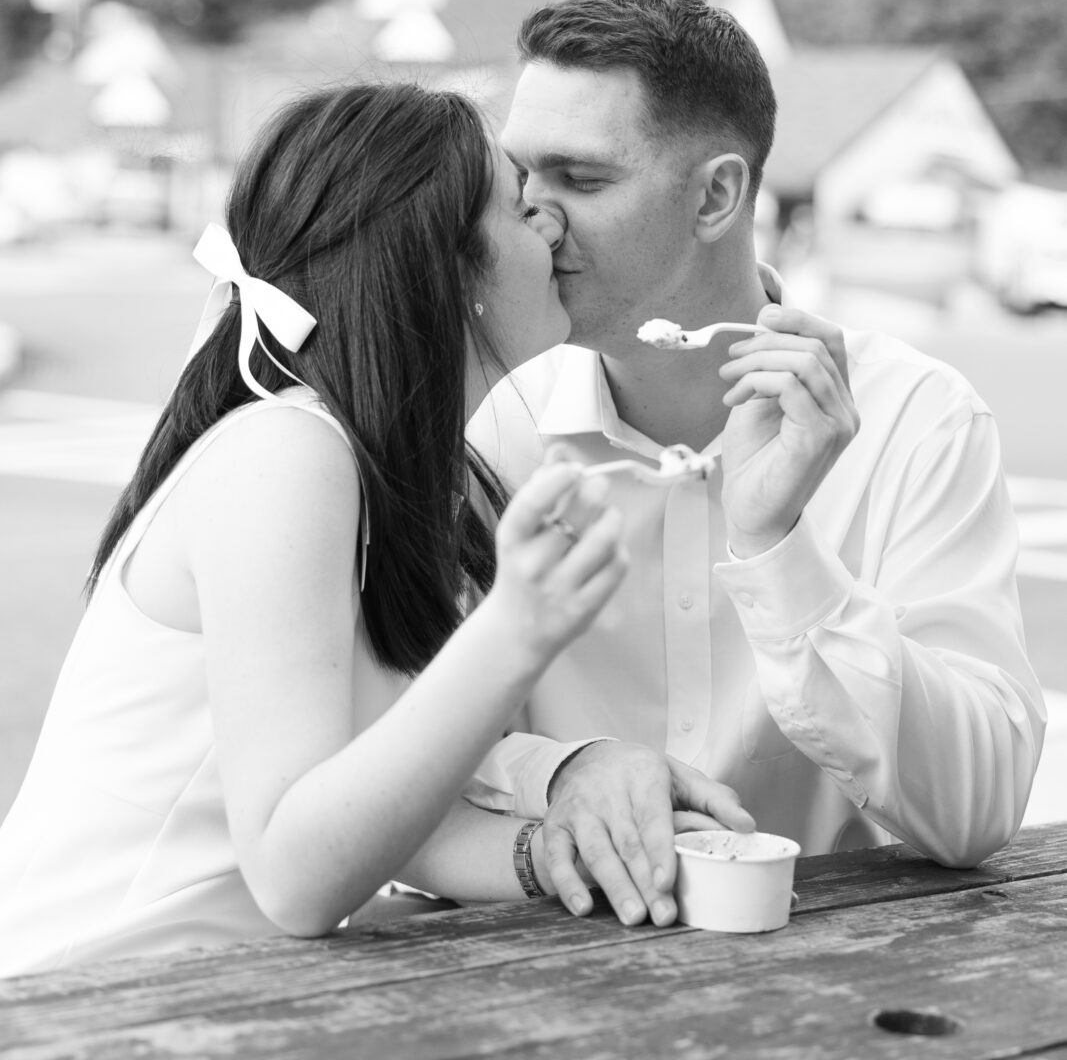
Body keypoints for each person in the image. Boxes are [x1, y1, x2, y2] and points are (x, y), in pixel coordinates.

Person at [0, 80, 749, 977]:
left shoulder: (401, 470)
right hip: (88, 1003)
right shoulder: (285, 455)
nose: (550, 225)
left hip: (225, 999)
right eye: (518, 207)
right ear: (443, 269)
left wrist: (557, 849)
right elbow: (293, 872)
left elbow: (380, 814)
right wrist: (516, 628)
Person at [466, 0, 1046, 931]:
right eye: (521, 176)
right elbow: (390, 744)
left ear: (718, 195)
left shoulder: (919, 419)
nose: (534, 216)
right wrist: (560, 771)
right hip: (526, 968)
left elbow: (978, 813)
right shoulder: (491, 421)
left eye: (581, 178)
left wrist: (780, 549)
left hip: (836, 981)